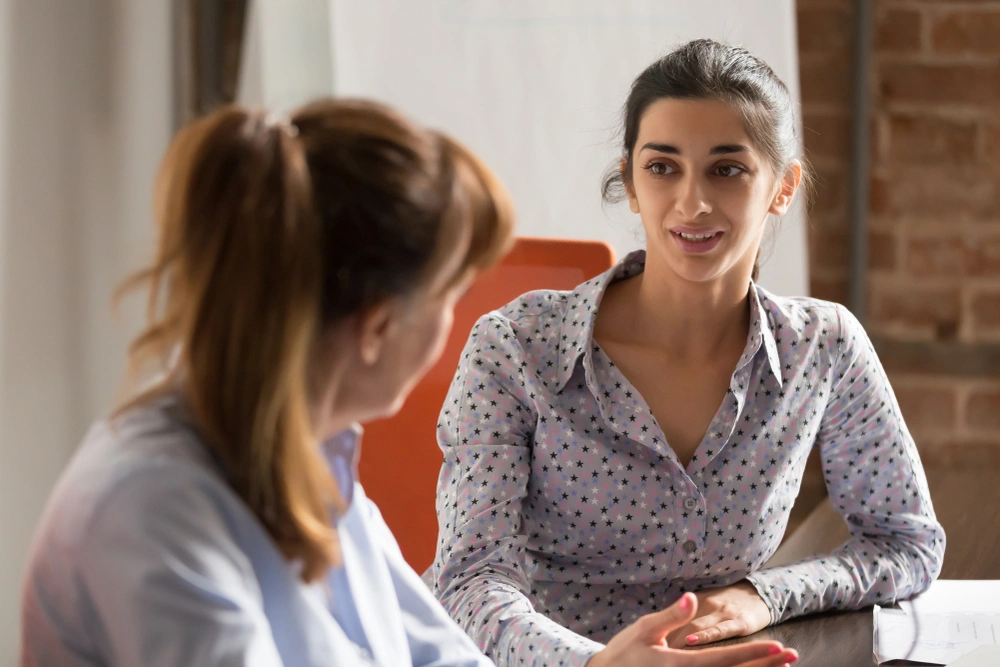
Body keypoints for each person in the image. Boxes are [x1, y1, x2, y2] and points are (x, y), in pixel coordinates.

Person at [18, 98, 795, 667]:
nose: (461, 324)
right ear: (380, 324)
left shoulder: (316, 467)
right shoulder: (152, 507)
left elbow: (437, 656)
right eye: (449, 294)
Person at [431, 39, 946, 667]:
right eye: (662, 167)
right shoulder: (515, 350)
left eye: (727, 170)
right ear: (630, 181)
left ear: (783, 187)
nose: (693, 202)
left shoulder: (823, 347)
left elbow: (906, 543)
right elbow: (469, 580)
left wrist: (764, 594)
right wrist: (598, 666)